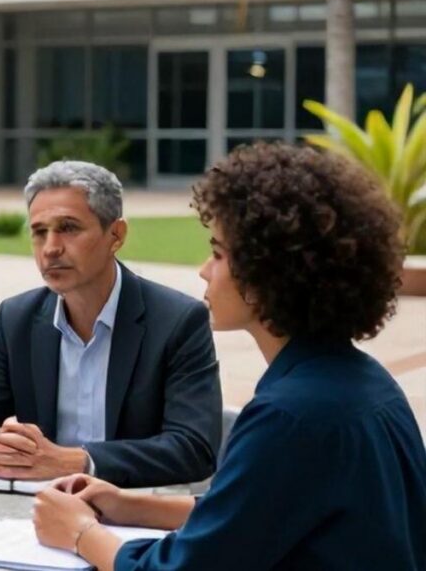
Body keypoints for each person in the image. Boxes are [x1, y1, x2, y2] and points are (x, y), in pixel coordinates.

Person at [33, 142, 426, 570]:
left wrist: (79, 533)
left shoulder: (290, 416)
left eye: (218, 253)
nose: (204, 270)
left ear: (267, 275)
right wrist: (124, 504)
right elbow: (249, 513)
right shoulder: (363, 382)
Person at [0, 160, 222, 488]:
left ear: (116, 235)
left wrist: (78, 461)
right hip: (34, 512)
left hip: (134, 516)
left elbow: (193, 448)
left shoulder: (177, 321)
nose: (50, 248)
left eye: (69, 228)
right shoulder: (16, 318)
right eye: (39, 232)